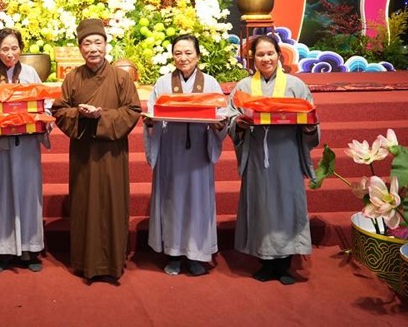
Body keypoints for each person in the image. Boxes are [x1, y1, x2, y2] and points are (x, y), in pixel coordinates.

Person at [51, 18, 141, 282]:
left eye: (97, 42)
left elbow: (132, 110)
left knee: (112, 204)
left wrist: (102, 116)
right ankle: (84, 261)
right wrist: (79, 115)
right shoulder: (73, 78)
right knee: (85, 204)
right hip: (84, 154)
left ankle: (111, 262)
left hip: (112, 154)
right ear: (80, 47)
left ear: (106, 44)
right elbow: (59, 110)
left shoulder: (121, 77)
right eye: (87, 43)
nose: (93, 48)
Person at [228, 34, 319, 285]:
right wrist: (238, 124)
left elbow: (311, 116)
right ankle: (266, 262)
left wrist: (310, 127)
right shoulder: (244, 86)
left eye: (270, 53)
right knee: (261, 204)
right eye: (260, 54)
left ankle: (285, 264)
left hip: (287, 154)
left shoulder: (296, 85)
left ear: (279, 55)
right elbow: (230, 115)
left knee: (287, 204)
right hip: (258, 155)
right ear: (253, 58)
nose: (266, 58)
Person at [144, 34, 230, 277]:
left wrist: (220, 124)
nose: (183, 58)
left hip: (199, 155)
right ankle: (173, 253)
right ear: (172, 56)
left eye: (188, 53)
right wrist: (150, 122)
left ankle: (196, 255)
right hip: (170, 152)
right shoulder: (162, 83)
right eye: (178, 53)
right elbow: (152, 112)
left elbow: (222, 114)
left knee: (197, 202)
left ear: (198, 55)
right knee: (172, 200)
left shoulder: (210, 83)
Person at [0, 28, 48, 273]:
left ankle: (29, 248)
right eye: (5, 48)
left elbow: (44, 103)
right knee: (1, 194)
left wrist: (43, 117)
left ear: (21, 49)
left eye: (14, 48)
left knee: (28, 195)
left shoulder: (30, 73)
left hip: (26, 145)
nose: (10, 53)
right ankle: (2, 249)